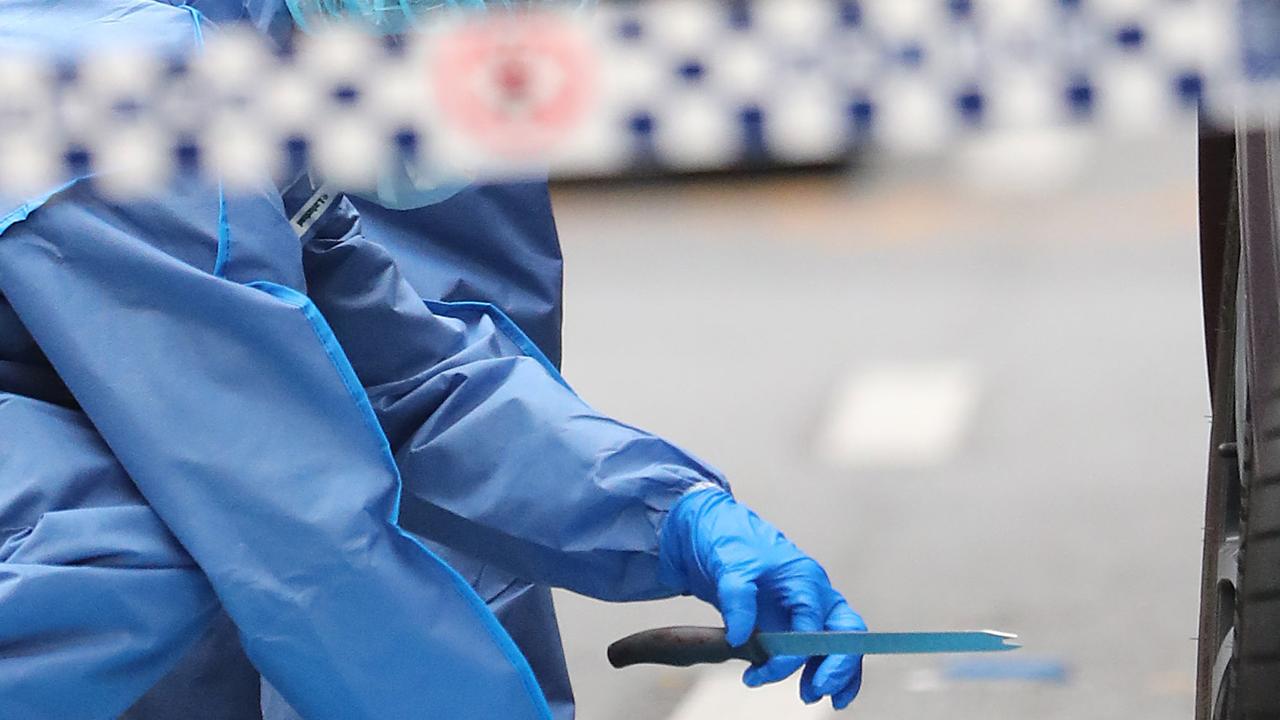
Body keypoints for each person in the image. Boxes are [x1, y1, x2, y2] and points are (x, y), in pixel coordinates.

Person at [0, 2, 866, 718]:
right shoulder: (131, 93)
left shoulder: (233, 77)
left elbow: (408, 375)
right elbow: (297, 529)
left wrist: (675, 517)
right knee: (120, 547)